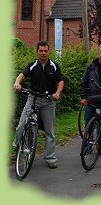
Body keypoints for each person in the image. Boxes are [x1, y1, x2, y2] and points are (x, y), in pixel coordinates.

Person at [13, 40, 64, 169]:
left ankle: (50, 158)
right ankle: (17, 149)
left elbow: (60, 81)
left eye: (45, 51)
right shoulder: (32, 65)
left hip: (48, 101)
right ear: (37, 52)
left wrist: (57, 93)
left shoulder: (54, 66)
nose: (43, 53)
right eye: (41, 51)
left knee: (49, 131)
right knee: (21, 126)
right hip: (33, 99)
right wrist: (17, 83)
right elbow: (21, 75)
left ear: (48, 51)